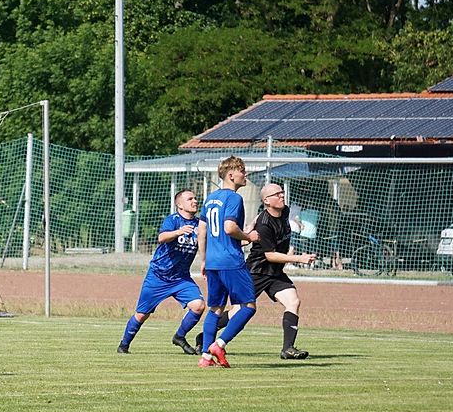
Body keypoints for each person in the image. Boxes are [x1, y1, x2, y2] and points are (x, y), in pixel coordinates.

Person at [198, 183, 315, 359]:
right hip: (257, 271)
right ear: (267, 200)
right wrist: (299, 258)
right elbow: (270, 255)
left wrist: (250, 225)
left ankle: (288, 349)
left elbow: (262, 216)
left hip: (275, 272)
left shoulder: (284, 211)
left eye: (282, 192)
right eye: (277, 194)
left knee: (293, 301)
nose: (282, 196)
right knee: (239, 310)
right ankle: (206, 338)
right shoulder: (265, 225)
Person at [117, 189, 205, 355]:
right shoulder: (173, 220)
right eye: (190, 199)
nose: (195, 201)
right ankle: (124, 345)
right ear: (179, 204)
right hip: (158, 276)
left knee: (198, 306)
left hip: (181, 278)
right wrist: (178, 232)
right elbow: (162, 237)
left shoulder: (200, 224)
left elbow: (210, 241)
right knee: (142, 314)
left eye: (195, 198)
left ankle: (179, 337)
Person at [196, 156, 259, 368]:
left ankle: (205, 357)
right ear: (231, 175)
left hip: (213, 262)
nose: (245, 174)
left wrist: (203, 259)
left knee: (215, 309)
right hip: (230, 261)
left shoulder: (210, 198)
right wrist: (249, 236)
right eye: (242, 170)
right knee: (248, 306)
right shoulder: (234, 198)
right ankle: (219, 344)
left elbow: (202, 230)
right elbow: (229, 228)